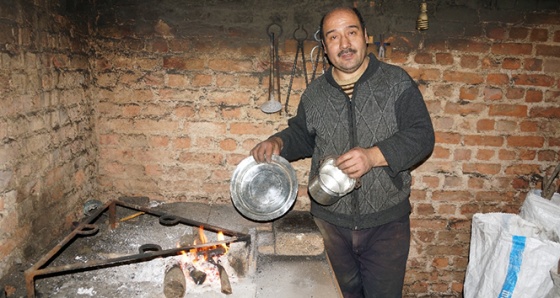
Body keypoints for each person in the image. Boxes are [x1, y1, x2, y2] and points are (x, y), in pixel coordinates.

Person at [250, 7, 435, 298]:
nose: (344, 43)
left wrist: (373, 157)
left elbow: (422, 136)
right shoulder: (315, 93)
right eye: (333, 37)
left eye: (351, 32)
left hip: (386, 225)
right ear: (324, 47)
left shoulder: (396, 82)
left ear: (365, 36)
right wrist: (278, 142)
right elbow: (302, 135)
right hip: (330, 224)